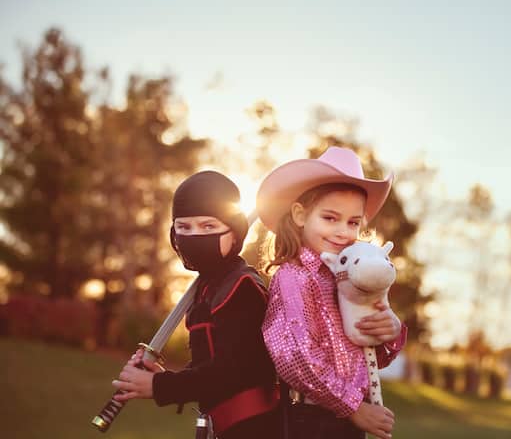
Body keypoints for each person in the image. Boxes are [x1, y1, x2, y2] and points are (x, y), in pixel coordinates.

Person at [111, 170, 280, 439]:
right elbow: (210, 364)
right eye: (184, 227)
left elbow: (235, 370)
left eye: (208, 226)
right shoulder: (205, 289)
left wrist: (161, 386)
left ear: (234, 233)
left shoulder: (241, 287)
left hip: (255, 429)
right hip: (220, 429)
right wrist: (167, 375)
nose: (194, 236)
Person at [256, 147, 407, 439]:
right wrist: (353, 408)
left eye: (353, 222)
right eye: (330, 218)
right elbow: (295, 356)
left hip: (347, 421)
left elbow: (368, 353)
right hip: (311, 421)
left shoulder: (351, 280)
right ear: (300, 215)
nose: (343, 231)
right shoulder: (294, 277)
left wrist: (391, 332)